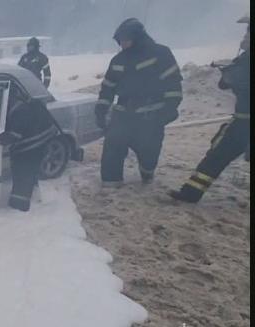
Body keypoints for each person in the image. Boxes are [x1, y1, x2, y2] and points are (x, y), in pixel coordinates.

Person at [94, 18, 183, 187]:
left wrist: (169, 109)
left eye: (125, 40)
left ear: (137, 37)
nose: (122, 44)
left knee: (148, 152)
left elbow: (173, 84)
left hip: (150, 114)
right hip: (122, 112)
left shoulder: (161, 54)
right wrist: (101, 110)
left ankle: (147, 173)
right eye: (120, 41)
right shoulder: (118, 60)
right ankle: (111, 183)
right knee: (113, 145)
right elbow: (107, 88)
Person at [169, 17, 250, 203]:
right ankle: (190, 193)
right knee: (217, 156)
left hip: (243, 123)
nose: (244, 37)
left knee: (216, 157)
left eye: (247, 32)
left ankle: (190, 193)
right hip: (242, 121)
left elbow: (230, 82)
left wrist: (228, 71)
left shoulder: (247, 59)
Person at [0, 94, 60, 212]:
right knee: (28, 168)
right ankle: (35, 195)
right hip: (39, 132)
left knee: (24, 170)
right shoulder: (12, 99)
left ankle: (19, 206)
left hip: (36, 138)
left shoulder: (18, 110)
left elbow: (15, 133)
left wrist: (2, 138)